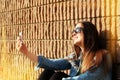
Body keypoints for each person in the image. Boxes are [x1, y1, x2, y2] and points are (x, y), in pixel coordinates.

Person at [16, 21, 112, 80]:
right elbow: (51, 63)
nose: (73, 33)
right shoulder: (75, 58)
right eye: (73, 31)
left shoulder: (101, 56)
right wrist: (26, 52)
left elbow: (85, 78)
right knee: (48, 72)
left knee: (58, 76)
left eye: (77, 30)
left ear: (88, 33)